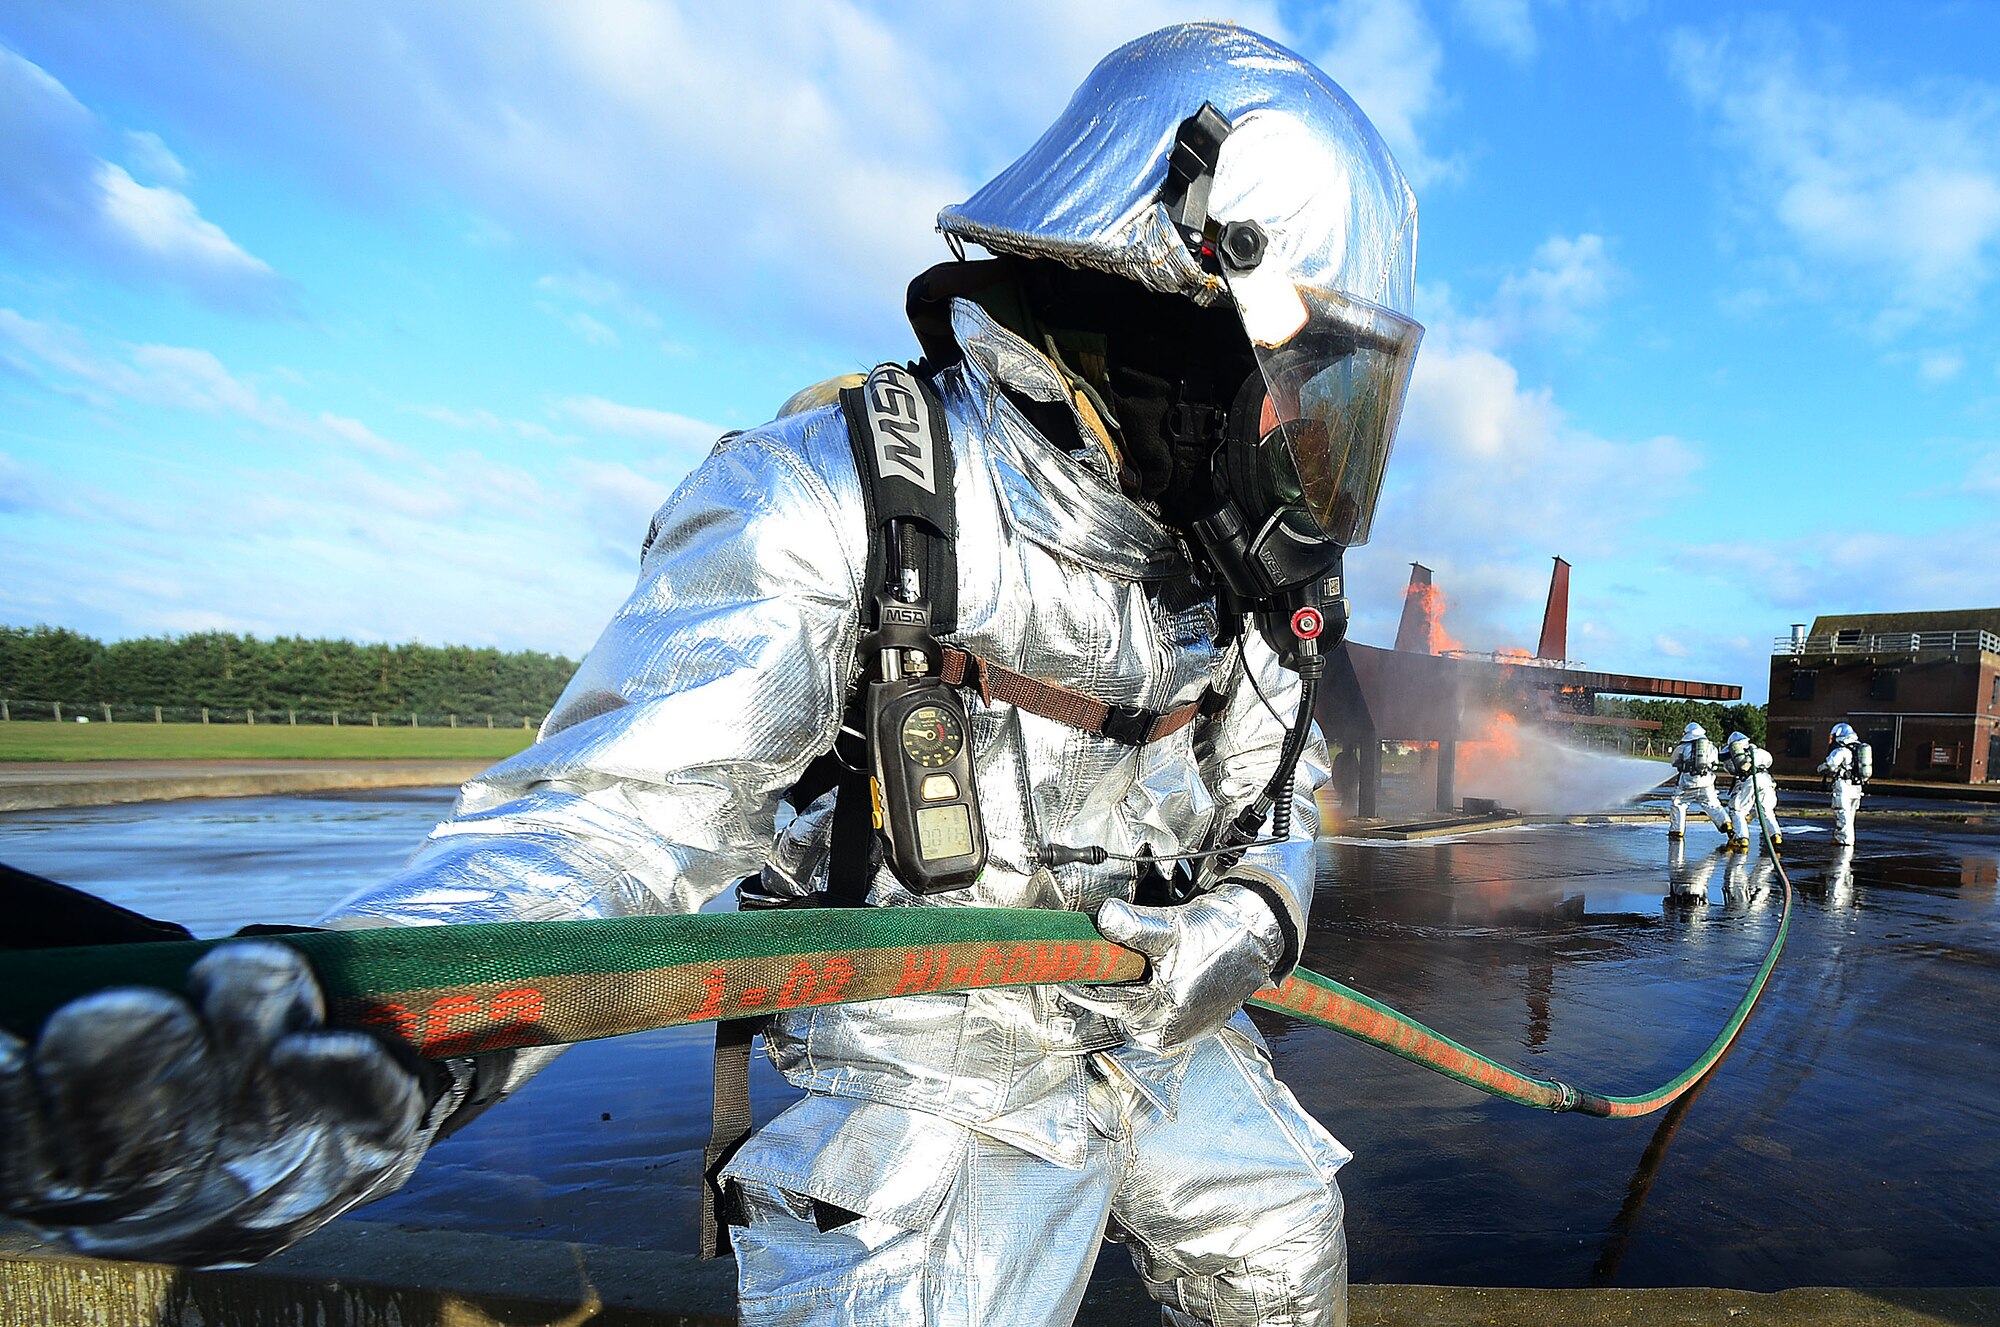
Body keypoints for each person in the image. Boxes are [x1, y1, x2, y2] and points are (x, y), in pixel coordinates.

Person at [0, 23, 1421, 1327]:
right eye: (1306, 383)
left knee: (1283, 1235)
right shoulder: (835, 499)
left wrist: (1253, 918)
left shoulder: (1238, 569)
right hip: (926, 1069)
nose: (1310, 448)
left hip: (1152, 1022)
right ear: (1191, 290)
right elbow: (610, 826)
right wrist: (363, 1039)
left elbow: (1276, 798)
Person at [1666, 721, 1730, 841]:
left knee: (1679, 804)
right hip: (1707, 783)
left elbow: (1674, 761)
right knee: (1712, 804)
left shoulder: (1683, 747)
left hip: (1687, 782)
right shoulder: (1711, 747)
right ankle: (1725, 823)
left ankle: (1677, 831)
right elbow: (1715, 765)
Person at [1721, 730, 1779, 852]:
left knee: (1737, 810)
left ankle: (1741, 838)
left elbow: (1731, 769)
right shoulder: (1760, 751)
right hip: (1767, 780)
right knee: (1766, 810)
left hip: (1749, 780)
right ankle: (1776, 834)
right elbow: (1769, 761)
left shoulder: (1736, 755)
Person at [1816, 722, 1867, 846]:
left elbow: (1830, 765)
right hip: (1857, 786)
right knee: (1850, 814)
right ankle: (1849, 839)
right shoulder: (1857, 748)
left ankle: (1843, 839)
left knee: (1842, 812)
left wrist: (1820, 768)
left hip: (1844, 785)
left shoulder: (1841, 750)